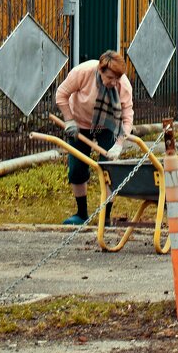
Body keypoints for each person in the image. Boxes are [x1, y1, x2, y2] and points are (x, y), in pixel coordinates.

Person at [55, 50, 135, 225]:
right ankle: (81, 214)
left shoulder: (123, 85)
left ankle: (105, 218)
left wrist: (119, 144)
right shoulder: (82, 73)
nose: (114, 82)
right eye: (110, 78)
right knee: (77, 169)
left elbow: (128, 117)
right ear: (100, 70)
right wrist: (69, 121)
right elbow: (61, 95)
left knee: (108, 170)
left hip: (108, 126)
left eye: (117, 78)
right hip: (79, 124)